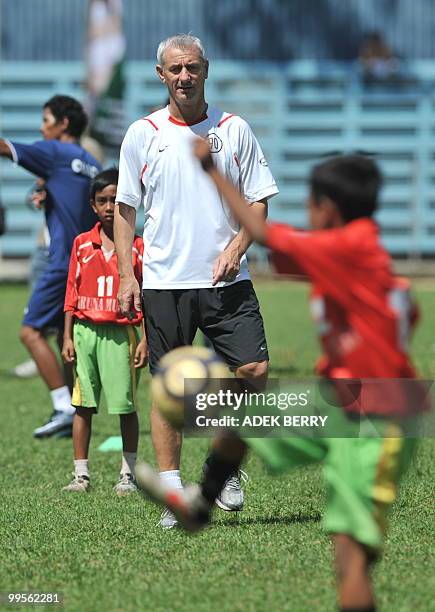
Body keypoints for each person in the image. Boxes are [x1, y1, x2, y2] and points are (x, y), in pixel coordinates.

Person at [136, 147, 425, 612]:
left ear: (327, 207)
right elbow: (408, 311)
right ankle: (199, 506)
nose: (306, 213)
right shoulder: (358, 250)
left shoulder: (348, 245)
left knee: (350, 559)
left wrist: (211, 169)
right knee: (246, 417)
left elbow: (263, 232)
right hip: (342, 401)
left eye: (310, 203)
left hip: (377, 418)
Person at [114, 34, 278, 527]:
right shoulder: (142, 133)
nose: (184, 76)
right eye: (174, 69)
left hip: (228, 282)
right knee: (169, 388)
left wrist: (235, 249)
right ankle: (171, 492)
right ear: (160, 75)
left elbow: (259, 201)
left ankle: (219, 469)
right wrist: (128, 274)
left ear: (206, 69)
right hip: (165, 282)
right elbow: (125, 209)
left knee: (254, 373)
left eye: (192, 67)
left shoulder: (234, 129)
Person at [0, 95, 101, 437]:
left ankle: (62, 407)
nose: (41, 128)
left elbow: (5, 147)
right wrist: (46, 194)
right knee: (64, 339)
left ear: (63, 125)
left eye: (46, 120)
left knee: (29, 332)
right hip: (84, 264)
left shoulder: (56, 152)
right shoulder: (88, 161)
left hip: (60, 263)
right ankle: (77, 411)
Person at [62, 168, 147, 493]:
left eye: (116, 199)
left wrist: (146, 340)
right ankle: (80, 474)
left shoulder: (139, 247)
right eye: (103, 200)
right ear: (93, 206)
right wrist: (68, 335)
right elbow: (71, 291)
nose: (110, 206)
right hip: (85, 332)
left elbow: (148, 298)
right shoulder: (82, 244)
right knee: (83, 405)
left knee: (125, 405)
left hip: (121, 334)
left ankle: (128, 473)